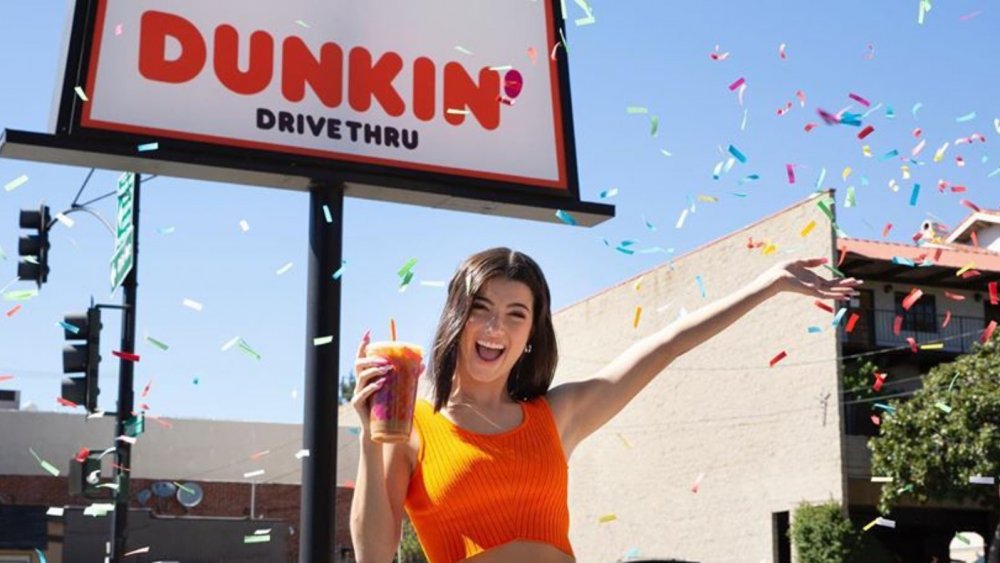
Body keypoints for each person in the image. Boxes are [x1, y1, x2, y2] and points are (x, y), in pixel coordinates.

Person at [349, 247, 862, 563]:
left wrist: (766, 284)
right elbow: (374, 554)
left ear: (530, 334)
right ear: (456, 320)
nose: (494, 328)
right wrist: (371, 439)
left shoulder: (557, 415)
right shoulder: (414, 427)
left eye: (515, 314)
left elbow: (667, 344)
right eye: (480, 310)